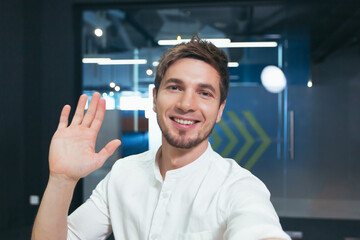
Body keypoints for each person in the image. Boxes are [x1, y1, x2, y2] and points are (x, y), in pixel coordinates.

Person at [31, 36, 290, 240]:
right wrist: (61, 181)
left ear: (220, 110)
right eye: (175, 87)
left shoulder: (238, 188)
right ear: (154, 99)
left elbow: (259, 229)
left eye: (205, 93)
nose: (187, 104)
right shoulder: (123, 174)